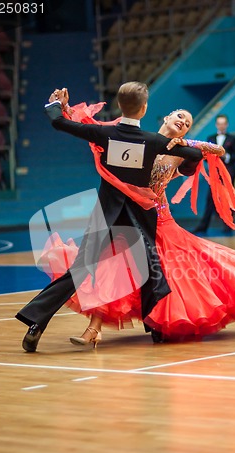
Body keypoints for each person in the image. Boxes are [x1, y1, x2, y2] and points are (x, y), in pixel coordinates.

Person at [41, 104, 235, 346]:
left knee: (168, 275)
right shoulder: (143, 140)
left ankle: (161, 324)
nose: (183, 122)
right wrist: (65, 110)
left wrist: (187, 144)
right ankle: (94, 329)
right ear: (167, 116)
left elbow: (217, 149)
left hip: (160, 220)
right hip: (132, 217)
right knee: (110, 269)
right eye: (180, 116)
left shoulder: (182, 149)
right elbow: (95, 130)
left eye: (187, 123)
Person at [16, 82, 205, 352]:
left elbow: (59, 123)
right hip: (139, 219)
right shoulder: (153, 141)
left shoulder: (105, 133)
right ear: (145, 109)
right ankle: (156, 329)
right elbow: (194, 155)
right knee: (151, 270)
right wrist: (187, 152)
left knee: (80, 270)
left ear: (119, 106)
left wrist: (56, 105)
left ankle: (37, 321)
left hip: (106, 214)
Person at [193, 114, 235, 234]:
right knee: (210, 198)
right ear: (216, 125)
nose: (221, 126)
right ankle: (203, 225)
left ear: (227, 125)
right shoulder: (211, 138)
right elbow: (204, 155)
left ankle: (228, 224)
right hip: (214, 173)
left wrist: (227, 156)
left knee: (227, 197)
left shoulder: (232, 139)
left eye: (223, 123)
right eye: (219, 123)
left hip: (228, 173)